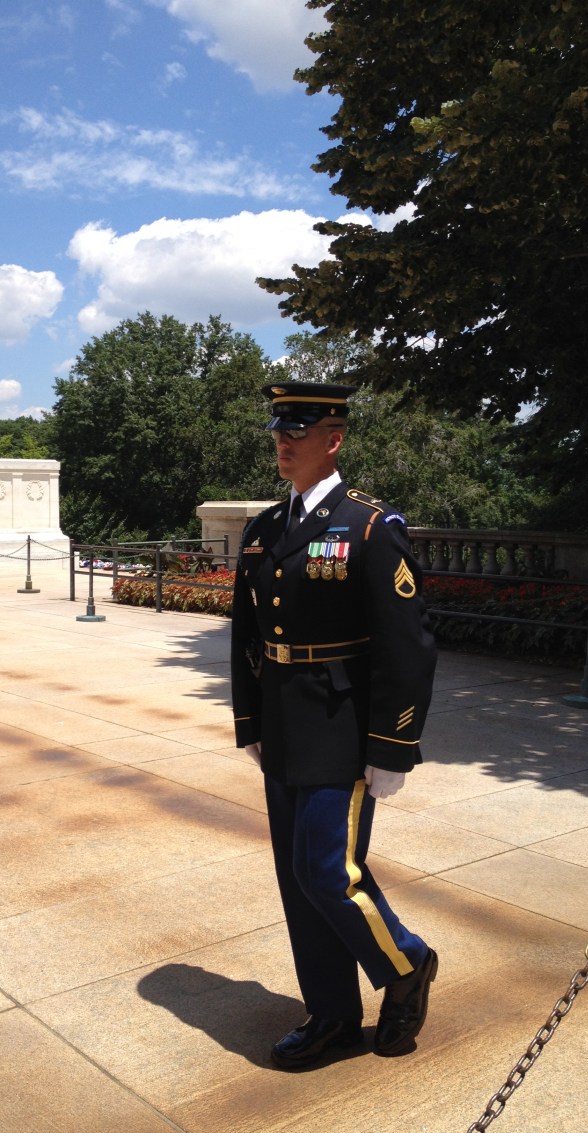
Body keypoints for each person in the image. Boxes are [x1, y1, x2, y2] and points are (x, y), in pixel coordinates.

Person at [231, 379, 438, 1068]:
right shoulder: (265, 529)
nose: (283, 442)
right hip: (285, 724)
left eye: (299, 430)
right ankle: (331, 1015)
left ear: (334, 439)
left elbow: (406, 647)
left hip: (344, 726)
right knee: (297, 879)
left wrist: (392, 745)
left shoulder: (371, 527)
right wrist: (249, 719)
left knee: (327, 870)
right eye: (278, 431)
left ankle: (405, 963)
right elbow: (247, 636)